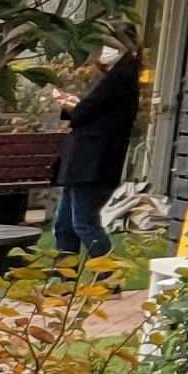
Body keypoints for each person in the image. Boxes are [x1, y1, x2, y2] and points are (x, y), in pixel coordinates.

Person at [52, 47, 140, 259]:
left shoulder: (119, 78)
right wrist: (74, 106)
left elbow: (84, 113)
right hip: (85, 162)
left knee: (83, 222)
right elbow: (93, 111)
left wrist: (69, 105)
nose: (100, 51)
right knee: (65, 224)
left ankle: (108, 274)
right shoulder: (119, 78)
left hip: (92, 162)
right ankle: (63, 275)